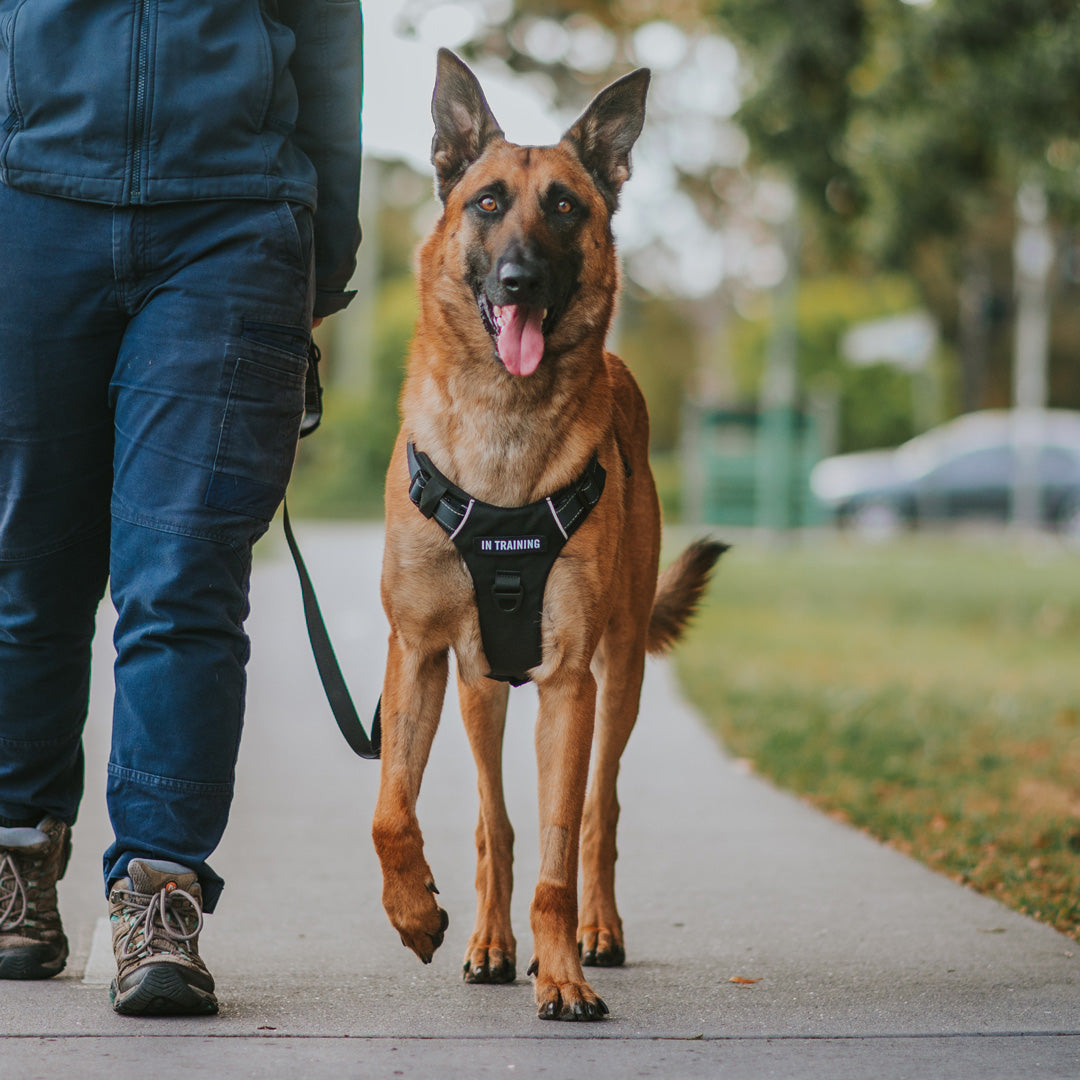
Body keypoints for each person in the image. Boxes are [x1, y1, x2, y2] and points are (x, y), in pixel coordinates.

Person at [0, 1, 362, 1016]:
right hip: (27, 200)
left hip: (234, 219)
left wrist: (320, 258)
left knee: (185, 567)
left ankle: (159, 893)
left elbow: (328, 34)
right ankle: (15, 854)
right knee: (26, 563)